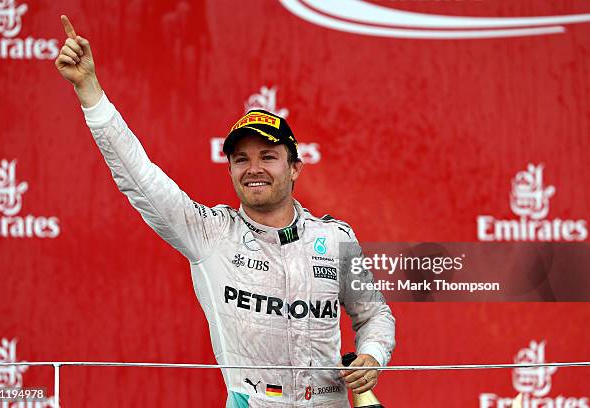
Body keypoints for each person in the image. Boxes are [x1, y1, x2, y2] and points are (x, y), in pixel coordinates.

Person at [55, 15, 395, 408]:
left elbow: (375, 315)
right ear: (231, 169)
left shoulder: (335, 238)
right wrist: (89, 90)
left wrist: (372, 355)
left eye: (268, 156)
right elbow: (140, 177)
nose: (254, 169)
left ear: (295, 168)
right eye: (241, 159)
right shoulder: (210, 232)